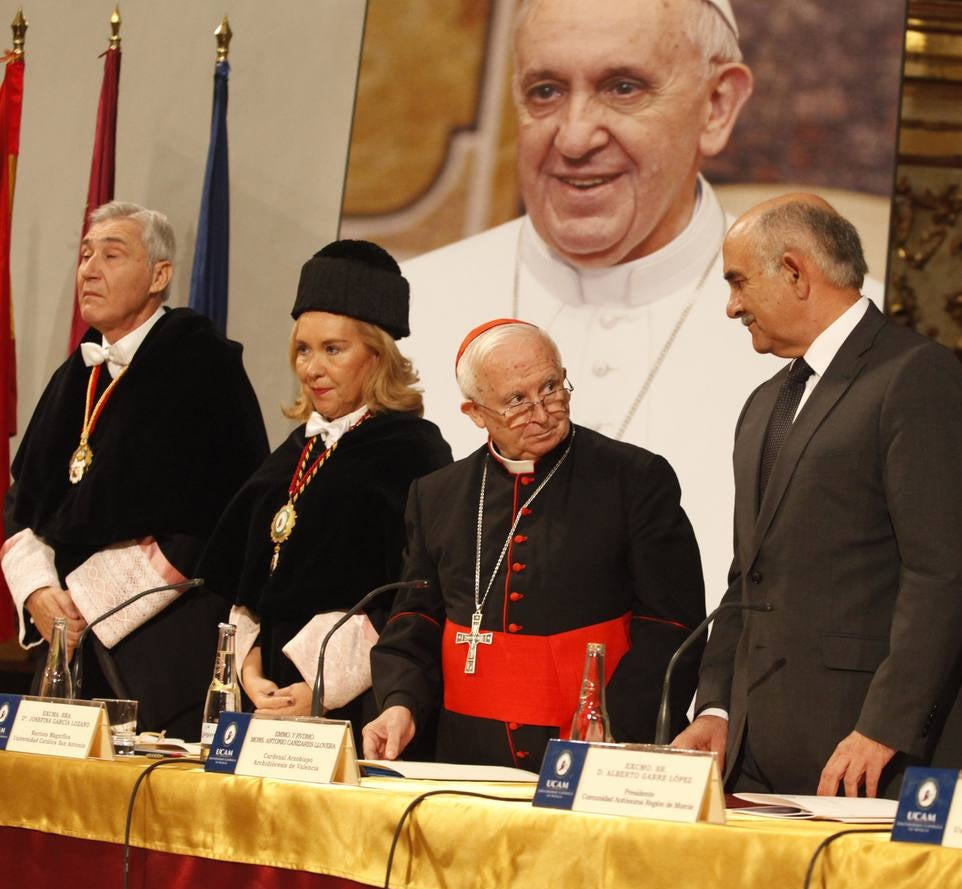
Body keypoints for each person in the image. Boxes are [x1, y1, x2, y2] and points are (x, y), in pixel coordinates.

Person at [398, 0, 792, 618]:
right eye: (546, 90)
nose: (576, 137)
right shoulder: (409, 307)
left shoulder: (831, 327)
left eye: (624, 87)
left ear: (717, 106)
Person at [672, 195, 962, 799]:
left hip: (868, 755)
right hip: (753, 746)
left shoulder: (913, 376)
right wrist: (714, 708)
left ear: (795, 272)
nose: (731, 305)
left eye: (738, 282)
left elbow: (943, 571)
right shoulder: (765, 403)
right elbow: (748, 575)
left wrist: (883, 726)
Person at [363, 320, 704, 769]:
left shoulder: (634, 479)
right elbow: (416, 619)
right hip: (467, 756)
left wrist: (615, 725)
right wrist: (400, 703)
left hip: (596, 747)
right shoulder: (437, 495)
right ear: (475, 413)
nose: (542, 413)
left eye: (551, 388)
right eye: (517, 402)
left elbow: (672, 623)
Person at [0, 201, 268, 738]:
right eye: (84, 255)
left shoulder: (203, 365)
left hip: (160, 652)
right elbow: (24, 499)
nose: (89, 269)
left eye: (111, 254)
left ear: (159, 275)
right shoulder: (75, 372)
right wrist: (37, 593)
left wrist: (82, 604)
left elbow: (217, 514)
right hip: (67, 646)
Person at [196, 241, 452, 735]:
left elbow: (410, 598)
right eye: (304, 350)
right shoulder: (292, 453)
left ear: (378, 356)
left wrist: (321, 685)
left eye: (333, 349)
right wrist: (248, 670)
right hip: (265, 697)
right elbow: (246, 577)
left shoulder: (413, 452)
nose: (312, 368)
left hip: (352, 705)